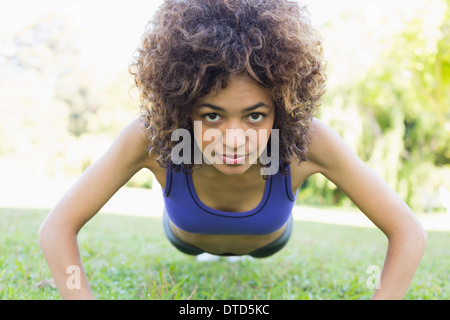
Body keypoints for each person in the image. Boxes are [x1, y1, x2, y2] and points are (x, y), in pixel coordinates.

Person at [39, 0, 427, 300]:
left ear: (283, 108)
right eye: (211, 116)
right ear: (182, 107)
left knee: (258, 246)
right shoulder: (150, 138)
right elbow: (57, 228)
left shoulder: (310, 142)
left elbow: (408, 232)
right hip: (186, 237)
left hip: (269, 241)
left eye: (256, 116)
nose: (234, 140)